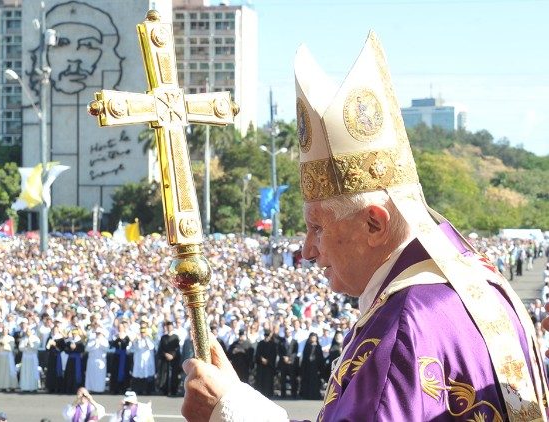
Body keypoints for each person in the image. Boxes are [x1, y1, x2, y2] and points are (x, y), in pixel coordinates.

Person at [181, 31, 548, 421]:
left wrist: (229, 411)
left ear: (375, 223)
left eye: (317, 228)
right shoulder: (478, 281)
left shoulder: (404, 324)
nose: (306, 250)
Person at [129, 320, 155, 395]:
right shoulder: (137, 340)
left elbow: (151, 347)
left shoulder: (149, 338)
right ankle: (138, 390)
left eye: (143, 333)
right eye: (141, 333)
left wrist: (146, 338)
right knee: (138, 375)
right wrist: (136, 340)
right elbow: (134, 348)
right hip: (138, 360)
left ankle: (147, 390)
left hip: (147, 360)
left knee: (147, 374)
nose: (142, 334)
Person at [155, 321, 180, 396]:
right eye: (168, 326)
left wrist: (173, 355)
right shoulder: (163, 337)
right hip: (165, 359)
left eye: (170, 326)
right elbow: (161, 349)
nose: (169, 328)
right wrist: (165, 354)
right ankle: (164, 390)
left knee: (173, 375)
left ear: (172, 327)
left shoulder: (175, 337)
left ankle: (173, 390)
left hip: (174, 359)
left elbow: (177, 348)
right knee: (164, 375)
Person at [0, 325, 18, 391]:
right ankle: (0, 386)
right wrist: (0, 347)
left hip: (8, 357)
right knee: (0, 371)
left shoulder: (11, 338)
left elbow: (11, 348)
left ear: (8, 331)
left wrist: (4, 345)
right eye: (3, 330)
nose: (4, 331)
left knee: (8, 371)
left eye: (6, 330)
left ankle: (10, 385)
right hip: (0, 357)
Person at [84, 326, 109, 393]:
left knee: (100, 376)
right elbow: (87, 349)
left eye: (99, 333)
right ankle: (90, 388)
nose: (97, 334)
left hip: (101, 361)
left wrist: (100, 344)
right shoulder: (91, 340)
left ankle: (99, 389)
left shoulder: (105, 341)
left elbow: (106, 349)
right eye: (96, 333)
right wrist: (95, 344)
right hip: (92, 360)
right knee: (91, 375)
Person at [18, 328, 41, 392]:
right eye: (27, 331)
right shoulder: (23, 339)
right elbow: (20, 348)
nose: (28, 332)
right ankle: (25, 387)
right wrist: (25, 346)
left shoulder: (36, 339)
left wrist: (30, 344)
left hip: (32, 357)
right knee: (25, 371)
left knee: (33, 371)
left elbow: (36, 347)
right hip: (25, 357)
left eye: (29, 331)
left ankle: (34, 387)